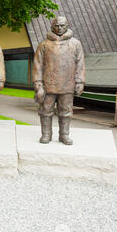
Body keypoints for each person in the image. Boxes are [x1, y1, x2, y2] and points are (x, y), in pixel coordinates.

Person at [33, 16, 85, 145]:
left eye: (62, 25)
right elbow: (37, 65)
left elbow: (80, 64)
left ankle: (64, 135)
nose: (59, 28)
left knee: (66, 111)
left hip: (67, 84)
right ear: (52, 27)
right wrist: (38, 84)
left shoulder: (75, 44)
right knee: (45, 110)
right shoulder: (44, 44)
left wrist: (80, 81)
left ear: (67, 26)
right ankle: (46, 134)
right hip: (48, 85)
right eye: (57, 25)